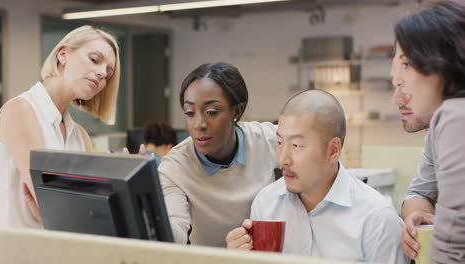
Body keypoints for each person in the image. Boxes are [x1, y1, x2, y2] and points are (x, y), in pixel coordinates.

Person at [226, 90, 408, 263]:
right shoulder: (266, 202)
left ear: (333, 150)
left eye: (297, 145)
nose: (283, 159)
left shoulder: (377, 218)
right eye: (280, 143)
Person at [0, 25, 120, 228]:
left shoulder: (80, 135)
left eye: (108, 73)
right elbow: (51, 203)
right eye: (94, 59)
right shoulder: (21, 110)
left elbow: (90, 206)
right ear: (63, 55)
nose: (101, 73)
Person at [158, 62, 279, 247]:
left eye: (211, 112)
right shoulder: (175, 167)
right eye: (189, 113)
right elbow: (173, 233)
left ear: (236, 111)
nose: (198, 124)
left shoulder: (270, 140)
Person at [391, 0, 465, 263]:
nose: (399, 84)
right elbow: (421, 193)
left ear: (441, 63)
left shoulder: (454, 116)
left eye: (407, 63)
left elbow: (451, 249)